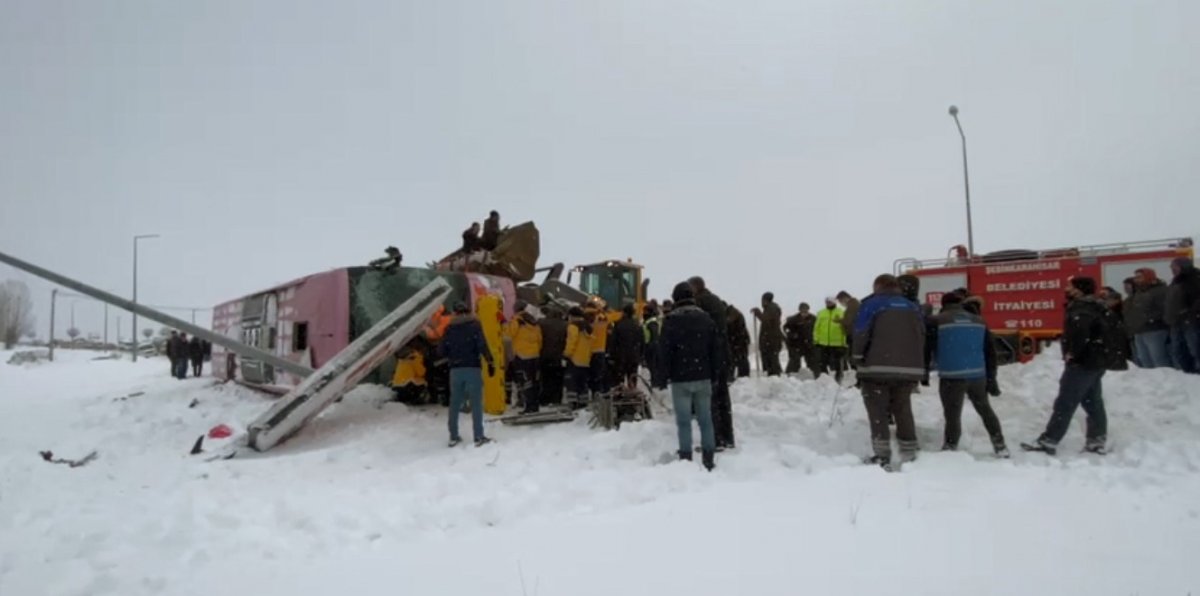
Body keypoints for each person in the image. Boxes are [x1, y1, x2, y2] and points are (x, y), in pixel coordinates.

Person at [1022, 277, 1110, 456]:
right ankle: (1096, 440)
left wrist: (1073, 353)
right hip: (1095, 361)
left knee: (1065, 402)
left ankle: (1049, 440)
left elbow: (1080, 333)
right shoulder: (1095, 306)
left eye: (1070, 286)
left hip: (1082, 363)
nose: (1066, 288)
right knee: (1093, 402)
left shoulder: (1082, 308)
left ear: (1079, 289)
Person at [853, 275, 927, 469]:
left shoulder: (872, 304)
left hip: (876, 368)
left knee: (877, 410)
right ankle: (909, 451)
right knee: (903, 408)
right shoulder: (912, 306)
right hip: (907, 369)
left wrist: (857, 357)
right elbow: (921, 334)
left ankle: (882, 455)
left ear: (878, 286)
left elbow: (861, 332)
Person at [929, 292, 1008, 457]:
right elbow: (990, 351)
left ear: (944, 304)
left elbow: (928, 346)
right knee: (985, 410)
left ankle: (950, 447)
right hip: (977, 375)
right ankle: (1000, 445)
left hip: (952, 375)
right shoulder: (979, 320)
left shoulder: (938, 320)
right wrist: (991, 378)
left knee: (952, 414)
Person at [661, 282, 721, 471]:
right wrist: (715, 374)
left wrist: (663, 375)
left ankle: (686, 458)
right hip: (703, 376)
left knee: (684, 422)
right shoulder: (707, 319)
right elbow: (715, 350)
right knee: (706, 420)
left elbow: (665, 351)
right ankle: (709, 458)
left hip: (680, 378)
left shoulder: (671, 321)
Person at [439, 302, 496, 447]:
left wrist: (453, 355)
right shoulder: (475, 326)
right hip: (472, 368)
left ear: (455, 313)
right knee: (476, 403)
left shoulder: (449, 329)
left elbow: (442, 351)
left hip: (455, 370)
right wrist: (490, 361)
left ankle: (453, 436)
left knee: (455, 403)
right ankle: (478, 436)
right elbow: (482, 345)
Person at [688, 276, 735, 450]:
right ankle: (727, 437)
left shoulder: (701, 303)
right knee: (722, 399)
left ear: (695, 287)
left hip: (709, 356)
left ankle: (714, 440)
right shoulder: (715, 300)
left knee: (709, 400)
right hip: (722, 354)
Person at [1126, 268, 1171, 368]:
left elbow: (1165, 310)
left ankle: (1164, 377)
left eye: (1139, 277)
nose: (1136, 280)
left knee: (1158, 360)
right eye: (1135, 277)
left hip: (1155, 329)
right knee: (1144, 360)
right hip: (1139, 330)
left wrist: (1148, 318)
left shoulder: (1160, 291)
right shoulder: (1139, 292)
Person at [506, 306, 543, 413]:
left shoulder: (517, 321)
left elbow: (509, 335)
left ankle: (528, 406)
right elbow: (539, 340)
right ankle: (535, 405)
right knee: (534, 381)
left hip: (522, 355)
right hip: (534, 355)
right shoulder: (534, 322)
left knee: (525, 382)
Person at [1166, 257, 1200, 373]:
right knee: (1178, 349)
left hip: (1192, 321)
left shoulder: (1195, 279)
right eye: (1171, 267)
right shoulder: (1175, 281)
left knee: (1194, 347)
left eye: (1175, 266)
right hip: (1176, 321)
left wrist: (1190, 312)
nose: (1172, 269)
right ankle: (1187, 372)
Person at [538, 305, 568, 405]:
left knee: (545, 377)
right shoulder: (566, 325)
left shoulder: (542, 323)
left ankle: (545, 398)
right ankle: (556, 398)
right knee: (558, 378)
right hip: (559, 356)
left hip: (544, 354)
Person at [813, 297, 847, 382]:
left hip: (838, 343)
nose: (828, 303)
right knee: (822, 362)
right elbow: (816, 327)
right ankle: (824, 378)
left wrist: (845, 342)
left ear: (834, 302)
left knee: (838, 363)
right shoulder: (821, 313)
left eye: (830, 302)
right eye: (827, 302)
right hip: (823, 343)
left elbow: (845, 328)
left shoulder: (841, 312)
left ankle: (839, 378)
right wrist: (816, 339)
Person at [563, 307, 593, 404]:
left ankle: (573, 402)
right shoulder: (587, 327)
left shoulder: (573, 326)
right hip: (585, 359)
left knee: (572, 382)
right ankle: (583, 401)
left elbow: (572, 342)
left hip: (574, 359)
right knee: (582, 382)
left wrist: (566, 354)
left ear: (572, 316)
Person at [751, 292, 784, 376]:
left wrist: (758, 312)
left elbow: (766, 321)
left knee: (771, 359)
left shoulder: (772, 308)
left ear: (765, 300)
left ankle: (775, 376)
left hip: (771, 339)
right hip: (771, 338)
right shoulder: (770, 308)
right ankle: (774, 375)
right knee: (771, 359)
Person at [611, 304, 643, 390]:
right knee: (632, 378)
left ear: (624, 313)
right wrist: (640, 355)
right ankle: (632, 393)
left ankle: (619, 394)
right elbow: (641, 341)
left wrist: (612, 355)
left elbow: (613, 342)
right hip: (634, 356)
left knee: (619, 379)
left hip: (621, 356)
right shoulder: (637, 325)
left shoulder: (618, 324)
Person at [1101, 287, 1131, 371]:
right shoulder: (1107, 311)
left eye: (1110, 300)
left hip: (1120, 337)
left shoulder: (1120, 310)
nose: (1107, 302)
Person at [585, 303, 611, 396]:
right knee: (599, 374)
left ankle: (590, 391)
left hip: (587, 351)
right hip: (600, 350)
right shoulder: (603, 319)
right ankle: (598, 392)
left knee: (588, 374)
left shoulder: (585, 319)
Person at [783, 303, 816, 375]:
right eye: (802, 310)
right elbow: (786, 328)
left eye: (805, 310)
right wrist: (791, 334)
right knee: (794, 360)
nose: (804, 312)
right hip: (796, 344)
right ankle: (790, 375)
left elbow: (818, 329)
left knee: (812, 361)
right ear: (800, 310)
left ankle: (815, 375)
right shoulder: (793, 319)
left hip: (809, 343)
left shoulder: (813, 319)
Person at [643, 304, 667, 389]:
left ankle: (656, 382)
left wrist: (651, 345)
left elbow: (654, 334)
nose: (643, 313)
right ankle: (656, 381)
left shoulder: (652, 322)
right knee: (653, 365)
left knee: (653, 365)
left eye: (645, 311)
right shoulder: (651, 321)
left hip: (651, 345)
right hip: (652, 345)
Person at [726, 305, 752, 379]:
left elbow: (735, 329)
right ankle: (743, 376)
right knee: (740, 359)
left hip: (739, 341)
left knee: (739, 359)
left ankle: (742, 377)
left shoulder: (733, 315)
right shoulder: (736, 314)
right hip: (739, 341)